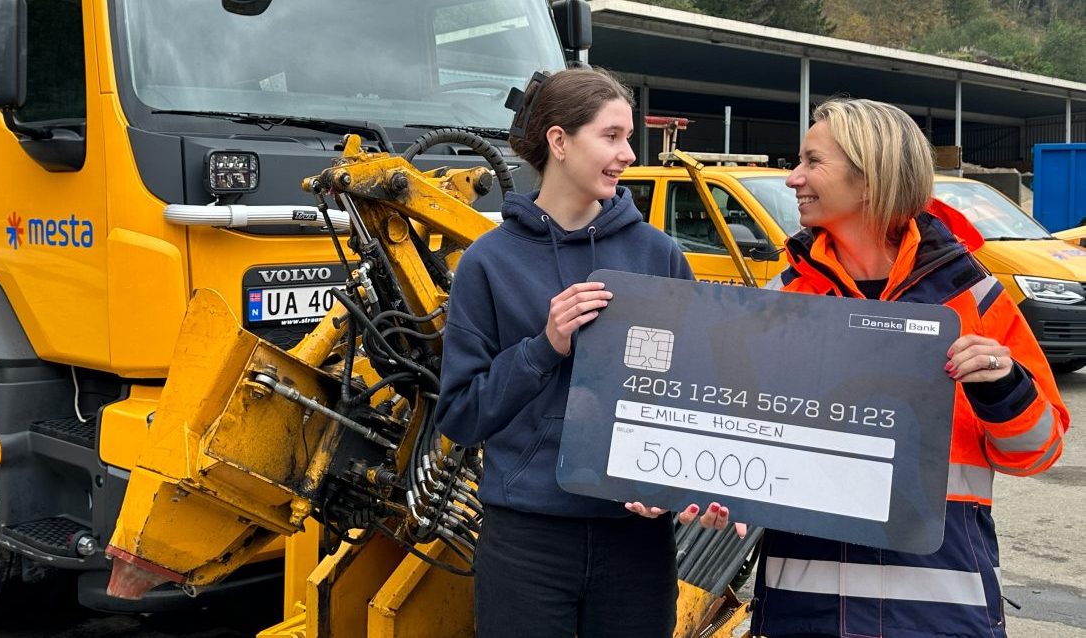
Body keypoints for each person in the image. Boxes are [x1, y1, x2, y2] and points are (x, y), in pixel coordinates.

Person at [704, 98, 1069, 637]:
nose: (792, 178)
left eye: (812, 161)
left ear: (871, 179)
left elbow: (1039, 451)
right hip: (805, 610)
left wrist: (1004, 386)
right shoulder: (781, 300)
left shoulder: (974, 299)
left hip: (940, 608)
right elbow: (733, 435)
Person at [433, 68, 730, 637]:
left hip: (636, 539)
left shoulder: (659, 256)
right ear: (559, 141)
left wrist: (674, 487)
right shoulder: (487, 264)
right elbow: (462, 416)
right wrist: (544, 347)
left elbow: (697, 398)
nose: (628, 153)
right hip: (525, 539)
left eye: (629, 137)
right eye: (612, 136)